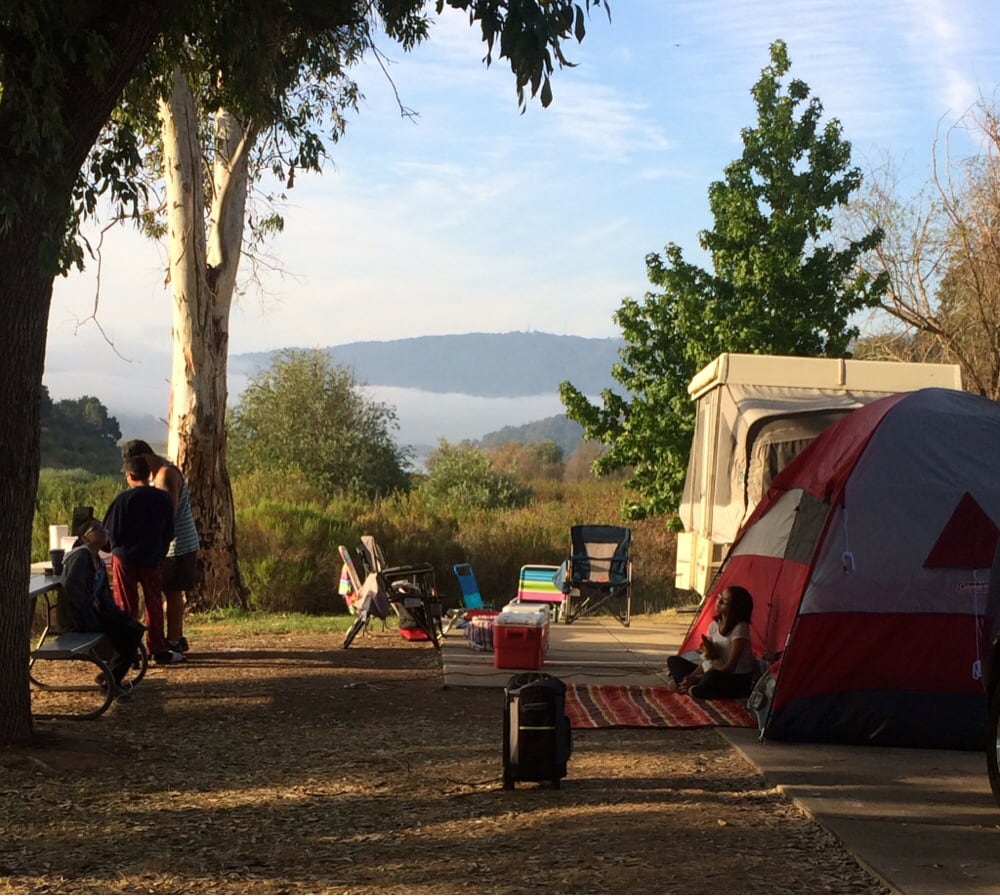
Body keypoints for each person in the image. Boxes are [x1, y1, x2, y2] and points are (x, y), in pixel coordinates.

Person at [123, 439, 201, 654]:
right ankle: (174, 638)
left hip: (177, 544)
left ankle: (174, 640)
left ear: (147, 458)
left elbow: (167, 513)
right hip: (171, 543)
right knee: (168, 591)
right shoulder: (158, 474)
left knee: (173, 592)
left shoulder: (165, 475)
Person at [103, 455, 181, 665]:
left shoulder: (123, 500)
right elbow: (169, 531)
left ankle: (129, 652)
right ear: (149, 475)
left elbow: (110, 533)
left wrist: (113, 548)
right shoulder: (163, 499)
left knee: (126, 606)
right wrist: (160, 550)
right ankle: (158, 648)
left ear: (130, 476)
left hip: (125, 559)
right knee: (154, 602)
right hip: (152, 558)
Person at [59, 518, 146, 692]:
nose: (103, 531)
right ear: (85, 537)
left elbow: (104, 594)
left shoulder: (97, 559)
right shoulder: (81, 556)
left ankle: (109, 678)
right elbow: (72, 588)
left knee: (133, 627)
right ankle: (110, 681)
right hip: (80, 618)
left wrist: (115, 613)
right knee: (129, 634)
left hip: (96, 613)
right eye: (96, 529)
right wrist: (92, 607)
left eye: (103, 527)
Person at [667, 585, 756, 699]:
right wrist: (690, 677)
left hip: (735, 678)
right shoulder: (714, 626)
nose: (718, 601)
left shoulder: (740, 628)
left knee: (711, 676)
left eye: (723, 601)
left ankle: (694, 688)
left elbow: (730, 667)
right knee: (673, 661)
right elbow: (706, 660)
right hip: (712, 670)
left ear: (734, 608)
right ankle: (688, 687)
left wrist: (698, 678)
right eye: (720, 597)